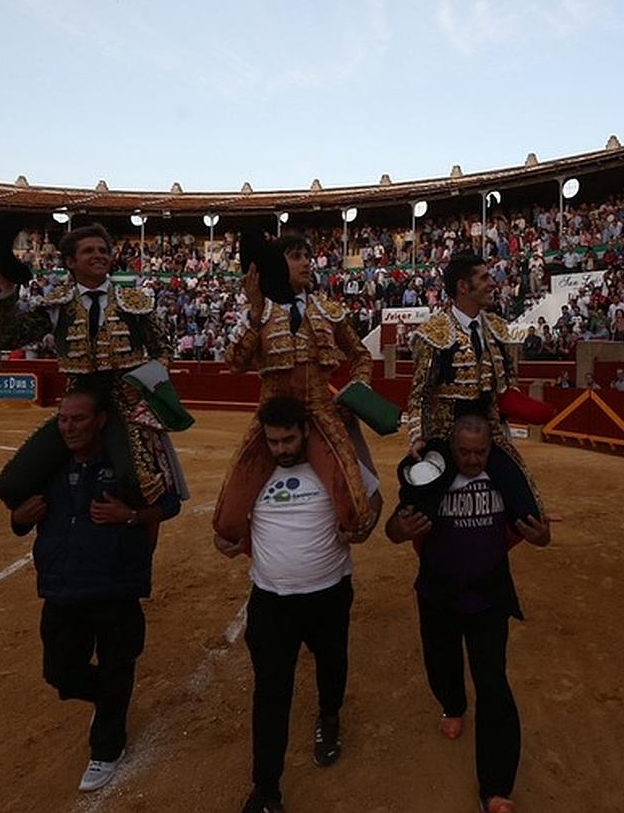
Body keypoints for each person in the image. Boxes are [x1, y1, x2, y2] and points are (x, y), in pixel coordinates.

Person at [9, 388, 181, 792]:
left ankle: (106, 747)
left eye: (78, 419)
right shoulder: (49, 464)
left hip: (115, 585)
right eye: (63, 420)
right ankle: (111, 701)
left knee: (117, 663)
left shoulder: (126, 462)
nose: (68, 428)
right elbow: (20, 516)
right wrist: (18, 518)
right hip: (63, 586)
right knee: (60, 673)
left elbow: (171, 503)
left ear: (102, 420)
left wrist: (131, 514)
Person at [216, 397, 380, 813]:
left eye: (289, 440)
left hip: (329, 592)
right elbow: (228, 526)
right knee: (270, 692)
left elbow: (373, 499)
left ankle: (329, 718)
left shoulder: (332, 463)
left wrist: (364, 528)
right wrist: (225, 543)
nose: (281, 449)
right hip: (271, 600)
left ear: (305, 432)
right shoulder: (253, 472)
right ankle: (266, 789)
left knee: (332, 665)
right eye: (273, 441)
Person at [385, 414, 551, 813]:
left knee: (493, 685)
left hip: (489, 597)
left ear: (490, 450)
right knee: (440, 664)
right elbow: (395, 526)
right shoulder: (432, 477)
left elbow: (538, 529)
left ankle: (496, 788)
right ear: (451, 448)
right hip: (438, 594)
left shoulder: (506, 481)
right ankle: (452, 703)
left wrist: (543, 537)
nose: (473, 460)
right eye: (464, 452)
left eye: (480, 453)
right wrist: (399, 530)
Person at [0, 224, 191, 514]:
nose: (99, 255)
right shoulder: (56, 303)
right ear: (70, 262)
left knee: (138, 483)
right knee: (11, 484)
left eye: (103, 250)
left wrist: (141, 383)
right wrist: (7, 289)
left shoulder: (133, 300)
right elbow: (5, 339)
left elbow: (164, 351)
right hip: (77, 403)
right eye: (89, 251)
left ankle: (130, 528)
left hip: (125, 402)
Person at [215, 233, 380, 547]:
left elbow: (361, 355)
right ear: (278, 265)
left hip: (321, 413)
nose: (306, 262)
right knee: (227, 521)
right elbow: (234, 363)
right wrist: (253, 314)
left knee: (356, 514)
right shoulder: (258, 312)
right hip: (272, 418)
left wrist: (356, 390)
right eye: (296, 256)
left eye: (307, 255)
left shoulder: (328, 311)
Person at [404, 251, 543, 523]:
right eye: (484, 278)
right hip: (445, 436)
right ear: (463, 287)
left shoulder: (497, 328)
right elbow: (419, 395)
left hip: (490, 434)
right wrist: (418, 438)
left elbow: (508, 382)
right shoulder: (434, 333)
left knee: (529, 511)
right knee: (415, 513)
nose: (492, 283)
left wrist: (515, 402)